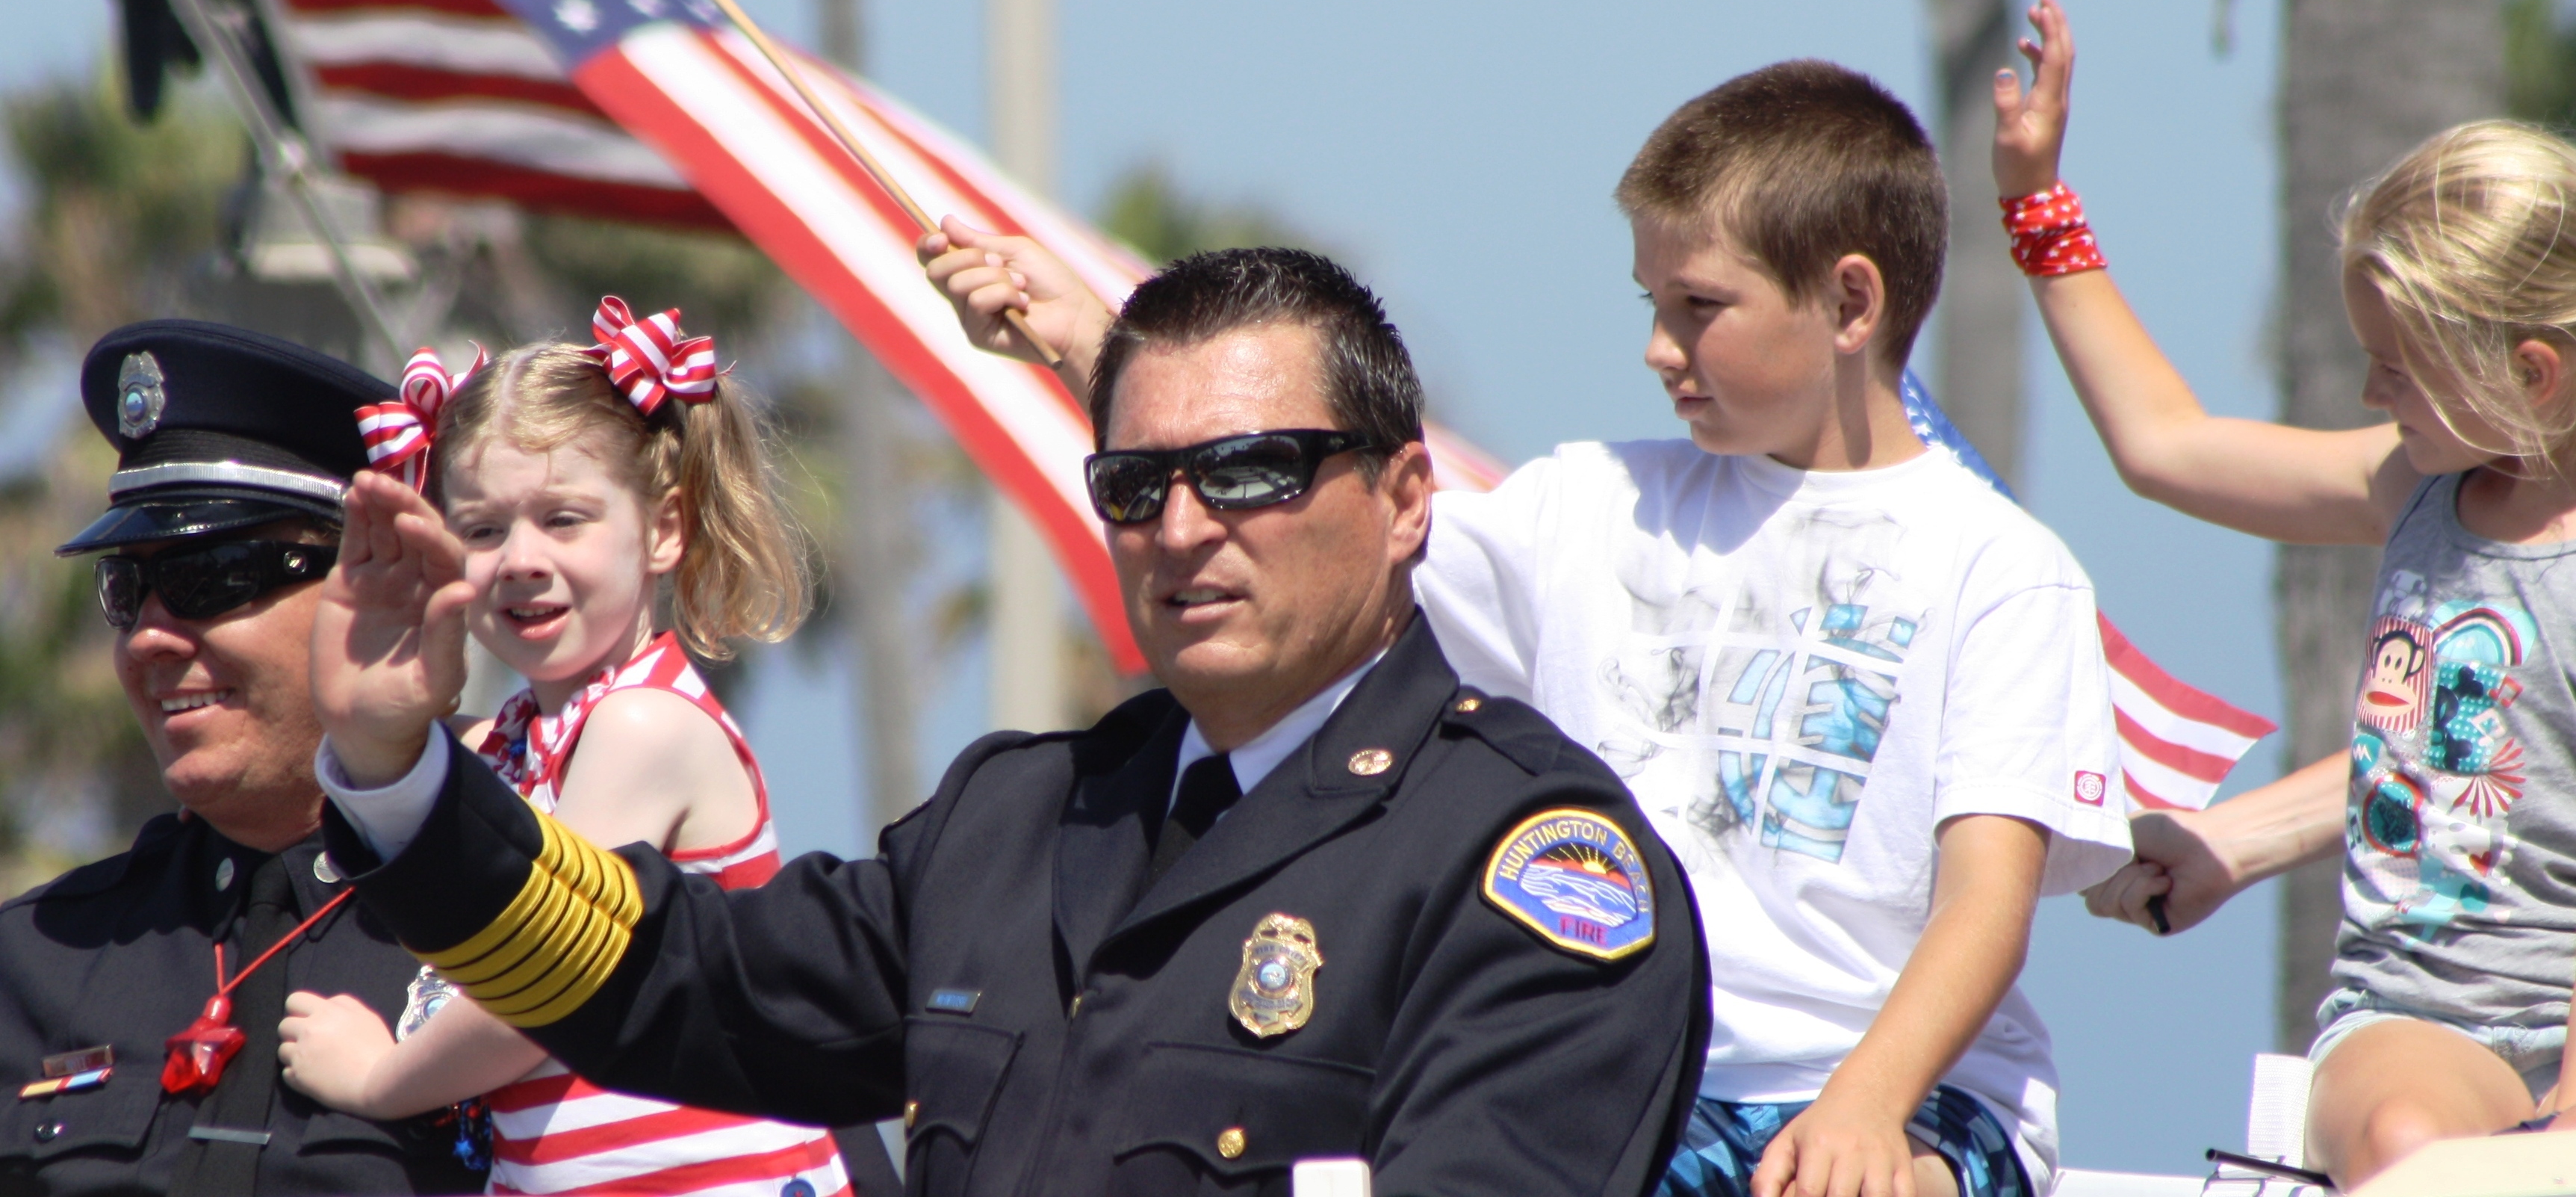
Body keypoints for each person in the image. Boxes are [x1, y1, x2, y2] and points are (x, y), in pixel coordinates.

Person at [922, 61, 2133, 1197]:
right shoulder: (1584, 504)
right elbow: (1324, 529)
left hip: (1914, 1095)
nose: (1656, 347)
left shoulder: (2002, 569)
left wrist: (1867, 1104)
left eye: (1698, 307)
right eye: (1651, 303)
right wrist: (1091, 342)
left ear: (1849, 301)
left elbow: (1984, 903)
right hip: (1614, 1060)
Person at [304, 250, 1712, 1196]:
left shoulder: (1524, 863)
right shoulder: (1017, 818)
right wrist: (398, 768)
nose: (1181, 527)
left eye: (1250, 471)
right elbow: (678, 975)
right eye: (1134, 483)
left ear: (1405, 499)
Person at [1995, 0, 2576, 1185]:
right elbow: (2166, 445)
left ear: (2531, 373)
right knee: (2411, 1148)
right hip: (2425, 1016)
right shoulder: (2412, 485)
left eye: (2397, 367)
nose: (2370, 395)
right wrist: (2038, 207)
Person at [270, 303, 851, 1196]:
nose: (520, 559)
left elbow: (545, 981)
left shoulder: (642, 727)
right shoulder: (508, 745)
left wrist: (379, 1078)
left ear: (663, 529)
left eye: (563, 518)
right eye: (482, 529)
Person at [0, 320, 482, 1196]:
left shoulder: (530, 924)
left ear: (384, 586)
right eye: (126, 588)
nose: (149, 636)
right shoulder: (33, 959)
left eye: (210, 576)